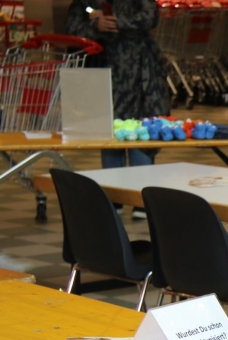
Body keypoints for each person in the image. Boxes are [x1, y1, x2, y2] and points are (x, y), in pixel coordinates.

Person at [65, 0, 169, 218]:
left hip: (140, 71)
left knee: (141, 128)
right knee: (109, 128)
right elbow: (73, 28)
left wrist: (118, 21)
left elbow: (150, 16)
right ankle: (114, 194)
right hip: (102, 69)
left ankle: (142, 196)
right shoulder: (85, 3)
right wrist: (96, 26)